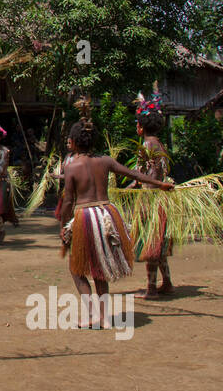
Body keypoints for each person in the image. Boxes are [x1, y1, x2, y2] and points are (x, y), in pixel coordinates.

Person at [57, 113, 172, 328]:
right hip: (107, 215)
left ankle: (94, 315)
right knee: (99, 267)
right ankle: (102, 316)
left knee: (77, 268)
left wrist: (64, 227)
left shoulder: (71, 167)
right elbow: (134, 175)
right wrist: (160, 184)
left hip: (85, 216)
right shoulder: (105, 161)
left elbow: (67, 202)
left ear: (74, 142)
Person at [131, 93, 174, 298]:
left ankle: (151, 288)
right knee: (159, 242)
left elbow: (146, 177)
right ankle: (166, 282)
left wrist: (134, 183)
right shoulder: (160, 144)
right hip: (161, 199)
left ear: (140, 127)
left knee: (151, 243)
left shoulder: (146, 146)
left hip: (151, 200)